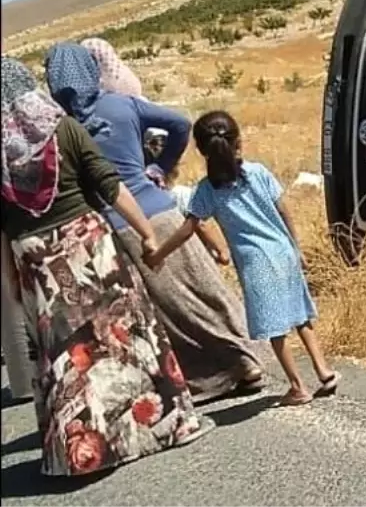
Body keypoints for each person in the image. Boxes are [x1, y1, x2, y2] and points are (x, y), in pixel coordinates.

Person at [0, 57, 212, 477]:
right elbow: (108, 184)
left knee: (66, 357)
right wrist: (148, 235)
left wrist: (13, 282)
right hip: (91, 246)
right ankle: (163, 427)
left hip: (36, 261)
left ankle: (79, 456)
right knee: (125, 338)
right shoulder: (63, 127)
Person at [43, 43, 264, 402]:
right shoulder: (120, 104)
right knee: (204, 288)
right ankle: (248, 359)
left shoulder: (62, 128)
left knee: (171, 308)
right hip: (163, 212)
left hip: (121, 227)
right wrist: (158, 167)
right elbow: (179, 124)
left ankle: (214, 375)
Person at [145, 111, 340, 407]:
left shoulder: (206, 191)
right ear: (239, 143)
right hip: (283, 250)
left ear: (200, 150)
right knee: (301, 316)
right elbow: (284, 209)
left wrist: (158, 254)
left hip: (255, 262)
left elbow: (188, 230)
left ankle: (297, 386)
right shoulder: (258, 172)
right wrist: (296, 246)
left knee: (276, 330)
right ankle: (324, 371)